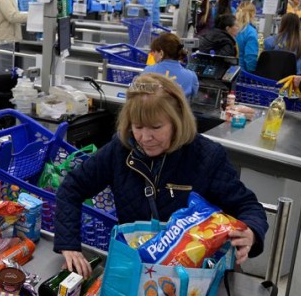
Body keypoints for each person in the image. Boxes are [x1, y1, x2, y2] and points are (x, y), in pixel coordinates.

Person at [54, 73, 268, 277]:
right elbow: (72, 188)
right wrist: (69, 244)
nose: (145, 138)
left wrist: (251, 232)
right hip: (136, 268)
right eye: (138, 127)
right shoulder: (119, 151)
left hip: (191, 276)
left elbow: (248, 206)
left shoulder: (206, 157)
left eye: (156, 127)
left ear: (177, 122)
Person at [142, 33, 198, 99]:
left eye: (154, 51)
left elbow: (140, 95)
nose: (153, 55)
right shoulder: (191, 77)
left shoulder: (148, 72)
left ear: (161, 53)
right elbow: (193, 97)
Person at [235, 1, 259, 73]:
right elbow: (250, 57)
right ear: (252, 14)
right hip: (243, 73)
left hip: (229, 70)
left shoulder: (232, 27)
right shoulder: (250, 32)